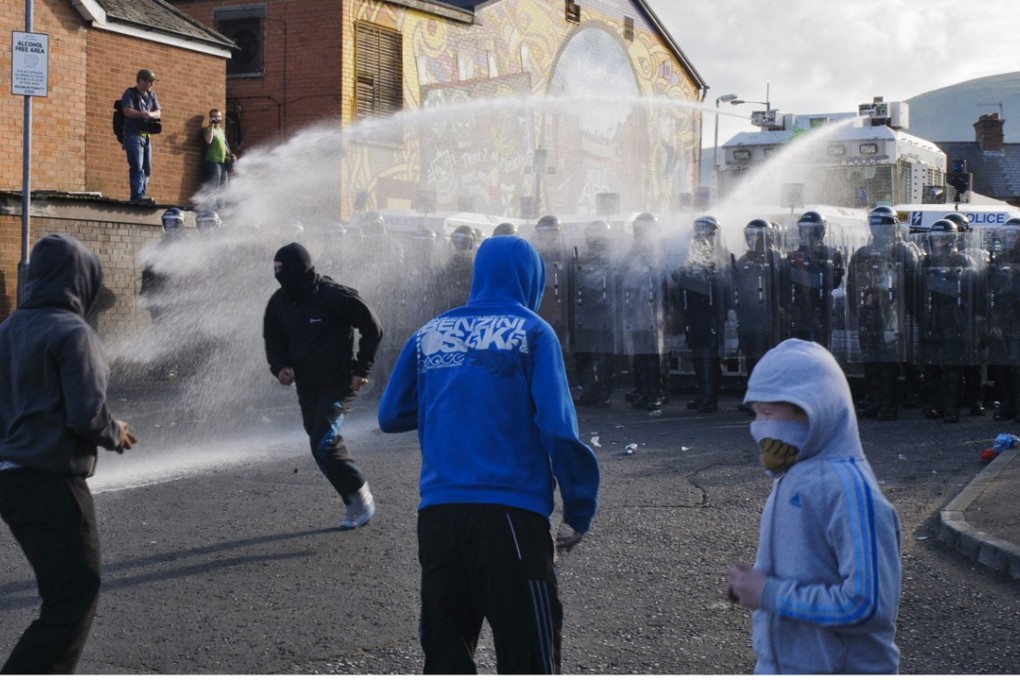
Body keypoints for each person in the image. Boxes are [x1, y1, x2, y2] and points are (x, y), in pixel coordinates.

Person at [377, 235, 600, 674]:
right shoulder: (533, 332)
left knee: (446, 653)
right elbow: (557, 429)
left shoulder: (430, 332)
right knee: (528, 653)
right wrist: (579, 509)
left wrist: (450, 402)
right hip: (511, 516)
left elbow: (391, 414)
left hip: (438, 516)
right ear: (529, 277)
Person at [0, 234, 136, 673]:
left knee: (63, 590)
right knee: (73, 595)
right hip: (50, 480)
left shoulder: (7, 329)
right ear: (83, 281)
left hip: (9, 479)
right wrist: (115, 433)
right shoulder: (74, 333)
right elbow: (85, 414)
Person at [727, 338, 901, 674]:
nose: (759, 427)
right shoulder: (792, 473)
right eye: (755, 413)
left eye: (768, 413)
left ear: (813, 408)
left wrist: (769, 593)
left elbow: (868, 605)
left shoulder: (850, 490)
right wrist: (753, 583)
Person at [263, 242, 383, 529]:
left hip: (338, 384)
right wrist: (279, 367)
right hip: (306, 386)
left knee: (323, 443)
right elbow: (273, 339)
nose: (276, 274)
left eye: (281, 269)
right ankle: (353, 498)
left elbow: (372, 326)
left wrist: (361, 368)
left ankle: (360, 498)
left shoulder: (333, 295)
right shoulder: (278, 302)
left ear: (295, 268)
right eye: (275, 269)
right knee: (320, 443)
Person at [846, 206, 918, 421]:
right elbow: (852, 285)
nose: (878, 230)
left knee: (888, 362)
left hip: (891, 314)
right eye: (874, 224)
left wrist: (907, 311)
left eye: (883, 224)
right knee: (870, 362)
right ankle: (874, 400)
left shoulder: (901, 251)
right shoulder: (862, 253)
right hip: (868, 315)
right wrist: (857, 311)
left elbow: (913, 283)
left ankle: (888, 405)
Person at [671, 215, 731, 413]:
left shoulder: (721, 256)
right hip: (693, 311)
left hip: (711, 312)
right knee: (697, 352)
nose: (701, 235)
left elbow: (723, 284)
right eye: (699, 230)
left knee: (707, 353)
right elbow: (682, 276)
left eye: (706, 231)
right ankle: (702, 393)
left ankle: (709, 397)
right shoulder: (691, 254)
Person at [572, 220, 619, 407]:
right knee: (583, 354)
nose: (594, 239)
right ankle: (590, 390)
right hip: (585, 312)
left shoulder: (613, 258)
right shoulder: (582, 257)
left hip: (606, 312)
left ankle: (604, 392)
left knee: (605, 355)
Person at [121, 68, 162, 205]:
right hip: (133, 135)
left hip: (146, 136)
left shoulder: (151, 96)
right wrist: (141, 113)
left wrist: (150, 114)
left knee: (147, 168)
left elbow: (158, 112)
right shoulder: (130, 93)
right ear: (142, 80)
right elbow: (127, 111)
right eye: (150, 81)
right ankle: (136, 196)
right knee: (137, 167)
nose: (152, 84)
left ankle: (142, 195)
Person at [201, 108, 234, 192]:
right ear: (210, 117)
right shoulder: (208, 129)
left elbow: (223, 144)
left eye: (218, 116)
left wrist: (230, 154)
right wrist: (212, 125)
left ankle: (221, 205)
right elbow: (208, 140)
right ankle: (211, 205)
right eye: (214, 117)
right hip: (213, 161)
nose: (217, 118)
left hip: (222, 163)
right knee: (213, 187)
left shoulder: (221, 130)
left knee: (223, 189)